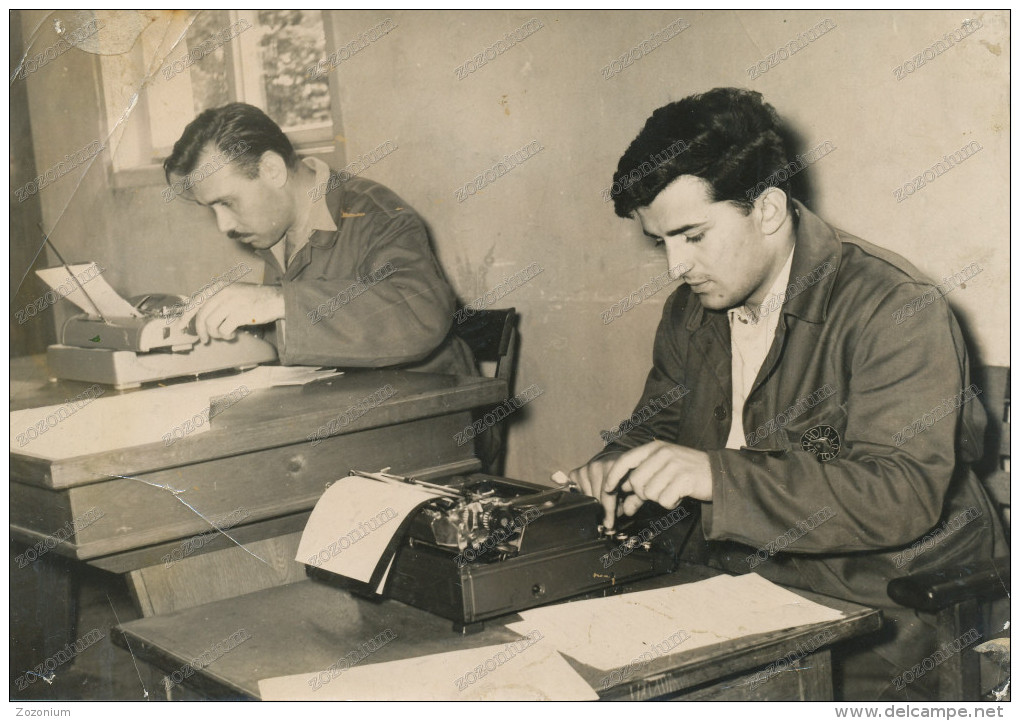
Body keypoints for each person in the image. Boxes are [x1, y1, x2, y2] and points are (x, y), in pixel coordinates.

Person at [561, 88, 1004, 700]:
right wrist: (618, 464)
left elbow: (900, 494)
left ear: (767, 210)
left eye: (691, 236)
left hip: (882, 607)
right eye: (660, 242)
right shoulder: (690, 311)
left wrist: (716, 476)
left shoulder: (897, 309)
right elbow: (657, 424)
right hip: (737, 588)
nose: (674, 267)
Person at [162, 102, 474, 374]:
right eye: (211, 209)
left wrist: (278, 301)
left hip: (430, 421)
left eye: (227, 203)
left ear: (271, 169)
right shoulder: (276, 233)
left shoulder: (377, 214)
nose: (223, 225)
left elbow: (421, 314)